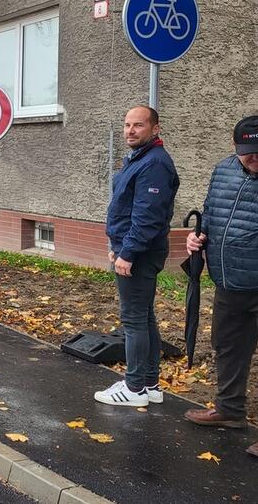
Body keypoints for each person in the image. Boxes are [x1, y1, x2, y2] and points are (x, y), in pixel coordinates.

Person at [183, 115, 258, 460]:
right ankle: (229, 410)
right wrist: (199, 237)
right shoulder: (223, 170)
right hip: (229, 282)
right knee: (226, 348)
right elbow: (213, 212)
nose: (256, 159)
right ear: (235, 147)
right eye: (248, 152)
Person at [95, 106, 179, 407]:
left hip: (140, 253)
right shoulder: (141, 159)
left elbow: (147, 217)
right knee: (144, 316)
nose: (130, 130)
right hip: (133, 249)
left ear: (155, 129)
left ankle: (133, 388)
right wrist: (117, 245)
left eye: (138, 125)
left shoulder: (154, 164)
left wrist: (127, 253)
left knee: (134, 319)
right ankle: (150, 384)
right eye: (127, 125)